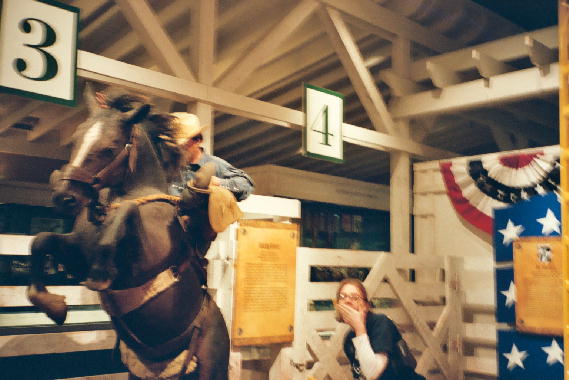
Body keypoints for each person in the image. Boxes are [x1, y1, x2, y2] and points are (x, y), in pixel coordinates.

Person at [168, 112, 254, 232]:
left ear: (197, 140)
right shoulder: (170, 167)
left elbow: (246, 185)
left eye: (183, 145)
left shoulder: (215, 164)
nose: (178, 150)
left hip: (197, 240)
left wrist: (218, 183)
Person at [336, 278, 425, 380]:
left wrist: (359, 328)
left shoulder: (381, 322)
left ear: (366, 305)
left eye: (355, 297)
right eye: (342, 296)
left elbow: (373, 373)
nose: (347, 301)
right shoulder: (348, 339)